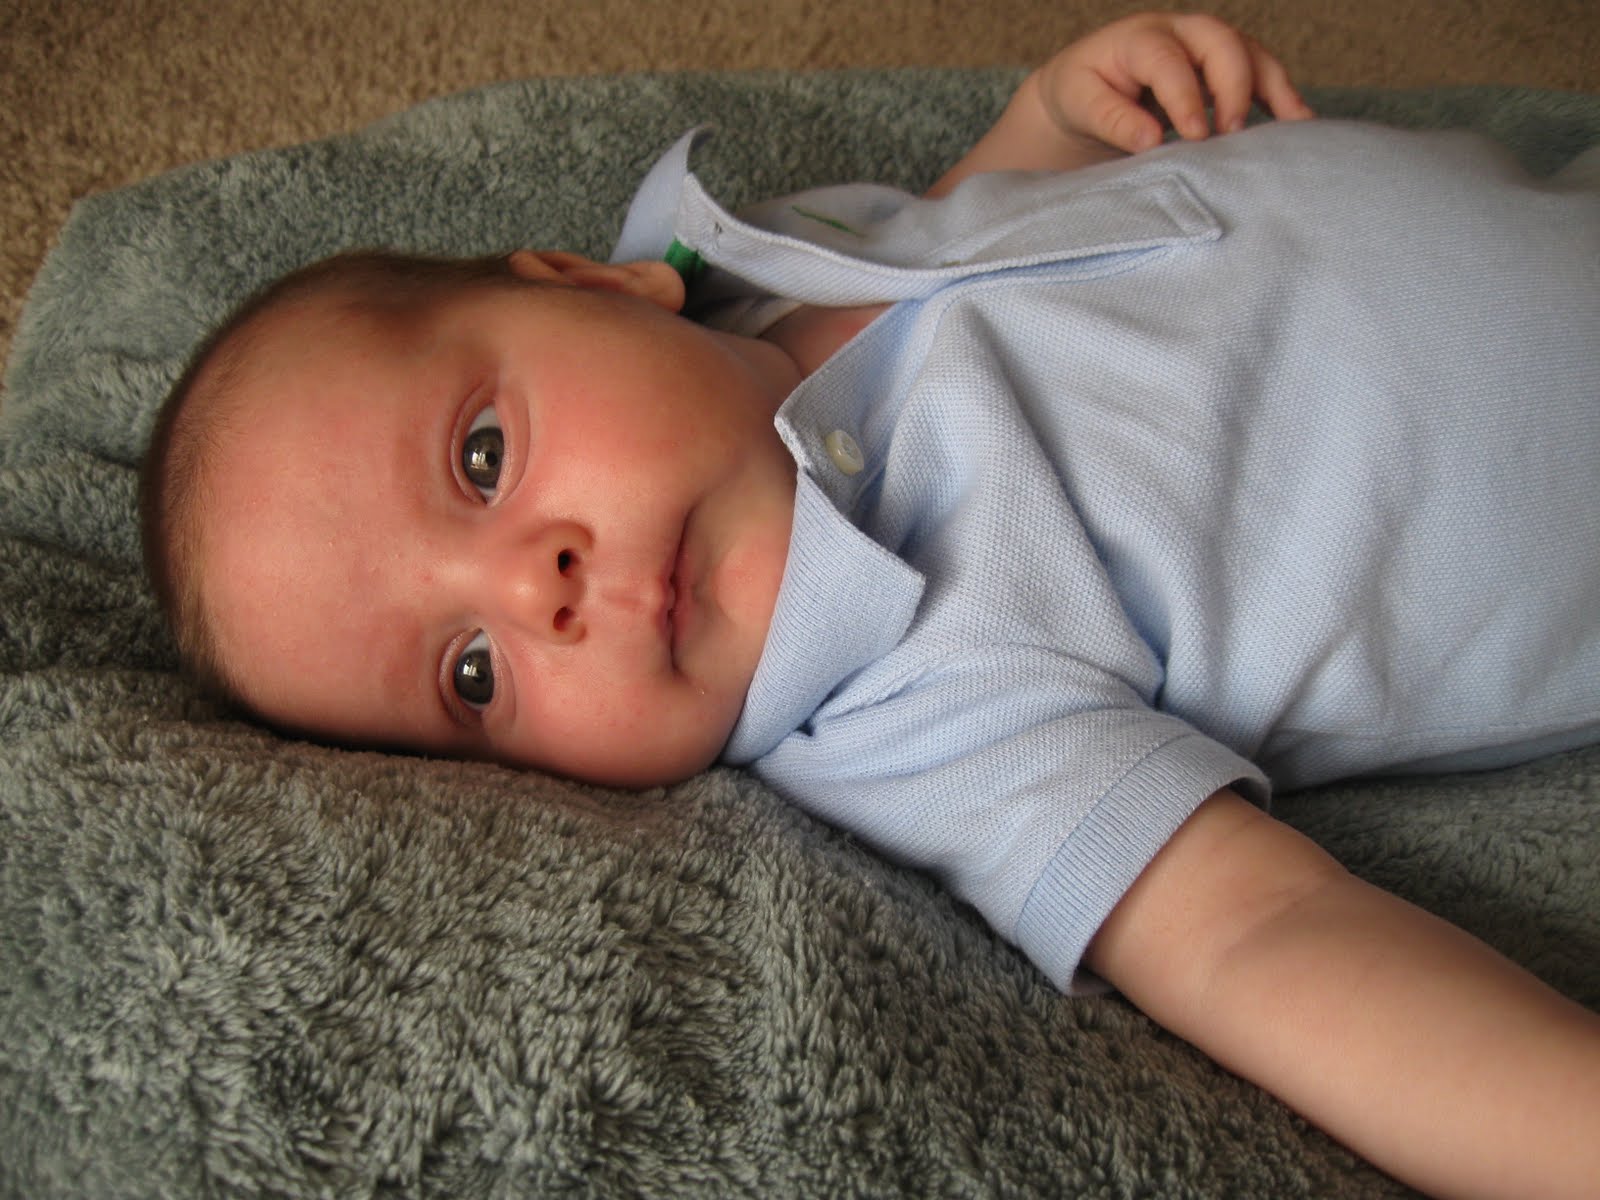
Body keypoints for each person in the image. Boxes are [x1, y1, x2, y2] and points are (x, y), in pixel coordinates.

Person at [140, 13, 1600, 1197]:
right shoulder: (910, 710)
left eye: (481, 458)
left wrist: (1048, 122)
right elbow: (1256, 939)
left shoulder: (762, 265)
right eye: (471, 675)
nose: (537, 587)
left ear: (597, 284)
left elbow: (955, 226)